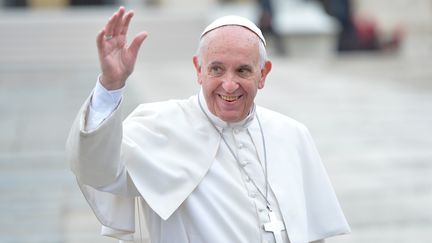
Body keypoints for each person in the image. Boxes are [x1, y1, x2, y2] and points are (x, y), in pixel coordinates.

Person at [66, 6, 350, 243]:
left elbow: (313, 234)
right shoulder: (159, 127)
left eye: (243, 70)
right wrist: (111, 86)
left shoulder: (292, 135)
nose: (229, 84)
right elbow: (96, 169)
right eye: (216, 69)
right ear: (198, 70)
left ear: (263, 74)